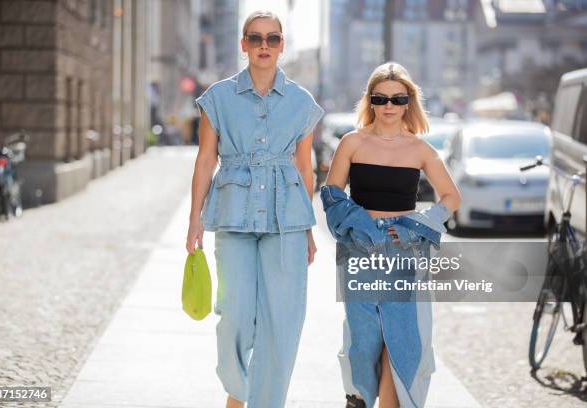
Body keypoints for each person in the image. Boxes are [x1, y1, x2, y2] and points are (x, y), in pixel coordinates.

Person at [185, 10, 325, 408]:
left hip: (288, 222)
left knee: (282, 321)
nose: (265, 46)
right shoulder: (217, 98)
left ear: (282, 46)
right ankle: (238, 392)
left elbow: (304, 168)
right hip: (233, 214)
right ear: (243, 44)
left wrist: (309, 229)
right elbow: (205, 160)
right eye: (256, 38)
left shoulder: (301, 102)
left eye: (273, 38)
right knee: (235, 313)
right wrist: (195, 219)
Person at [322, 62, 461, 408]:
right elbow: (332, 194)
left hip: (405, 253)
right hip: (359, 250)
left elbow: (451, 197)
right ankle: (359, 399)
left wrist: (417, 226)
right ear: (369, 100)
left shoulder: (420, 150)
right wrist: (360, 227)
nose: (388, 106)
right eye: (380, 98)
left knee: (401, 341)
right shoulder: (351, 142)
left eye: (397, 99)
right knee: (364, 340)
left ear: (408, 102)